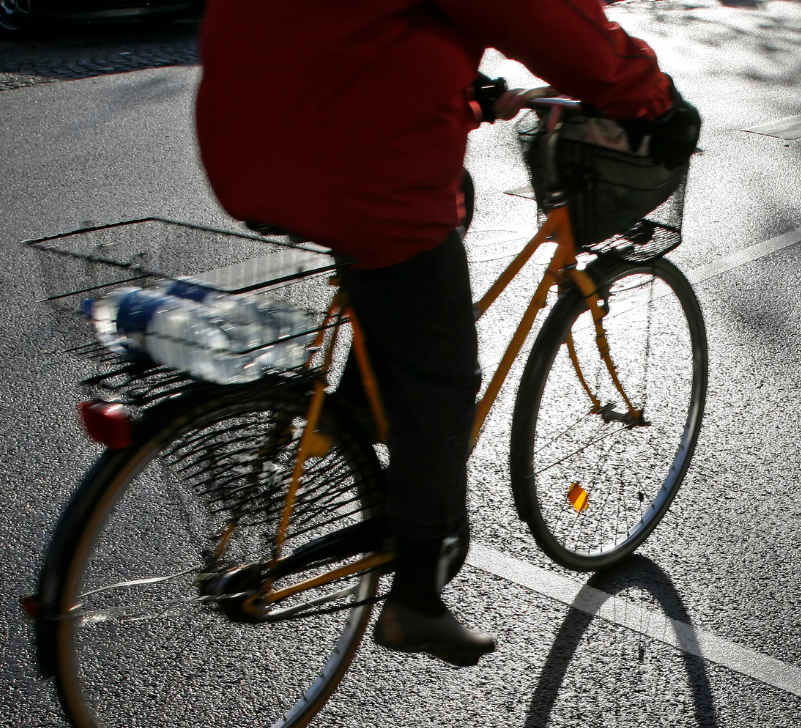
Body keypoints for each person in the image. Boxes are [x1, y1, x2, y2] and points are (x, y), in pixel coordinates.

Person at [195, 0, 699, 667]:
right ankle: (417, 602)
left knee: (442, 200)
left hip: (248, 140)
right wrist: (655, 101)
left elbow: (357, 37)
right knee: (442, 383)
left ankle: (356, 406)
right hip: (355, 166)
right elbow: (549, 18)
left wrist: (466, 94)